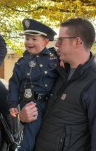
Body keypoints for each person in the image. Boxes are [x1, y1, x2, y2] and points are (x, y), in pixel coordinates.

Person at [20, 18, 96, 151]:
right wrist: (23, 117)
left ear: (77, 42)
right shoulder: (57, 73)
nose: (57, 44)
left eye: (61, 40)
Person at [8, 19, 59, 151]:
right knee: (28, 137)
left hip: (51, 105)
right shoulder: (21, 62)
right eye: (27, 38)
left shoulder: (55, 59)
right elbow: (14, 84)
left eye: (34, 39)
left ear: (46, 41)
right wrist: (13, 103)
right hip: (31, 105)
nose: (29, 42)